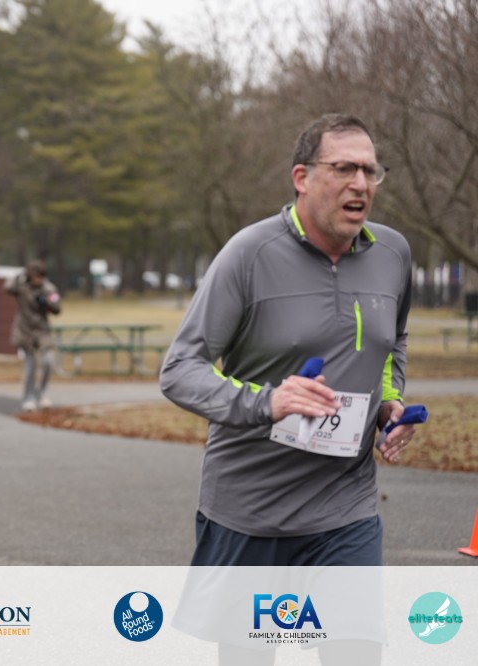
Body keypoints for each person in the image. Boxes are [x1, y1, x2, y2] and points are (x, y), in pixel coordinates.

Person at [161, 114, 416, 663]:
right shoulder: (249, 254)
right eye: (343, 168)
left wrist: (388, 402)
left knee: (355, 654)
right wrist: (267, 402)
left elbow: (391, 339)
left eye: (370, 170)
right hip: (252, 510)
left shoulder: (393, 254)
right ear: (302, 177)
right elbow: (180, 368)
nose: (360, 183)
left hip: (345, 506)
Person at [5, 259, 61, 411]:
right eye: (36, 276)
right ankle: (28, 397)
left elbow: (57, 308)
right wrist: (21, 275)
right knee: (31, 365)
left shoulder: (48, 288)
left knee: (48, 362)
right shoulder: (22, 287)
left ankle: (42, 393)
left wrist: (47, 303)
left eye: (41, 276)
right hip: (25, 330)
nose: (39, 279)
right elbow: (8, 287)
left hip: (42, 330)